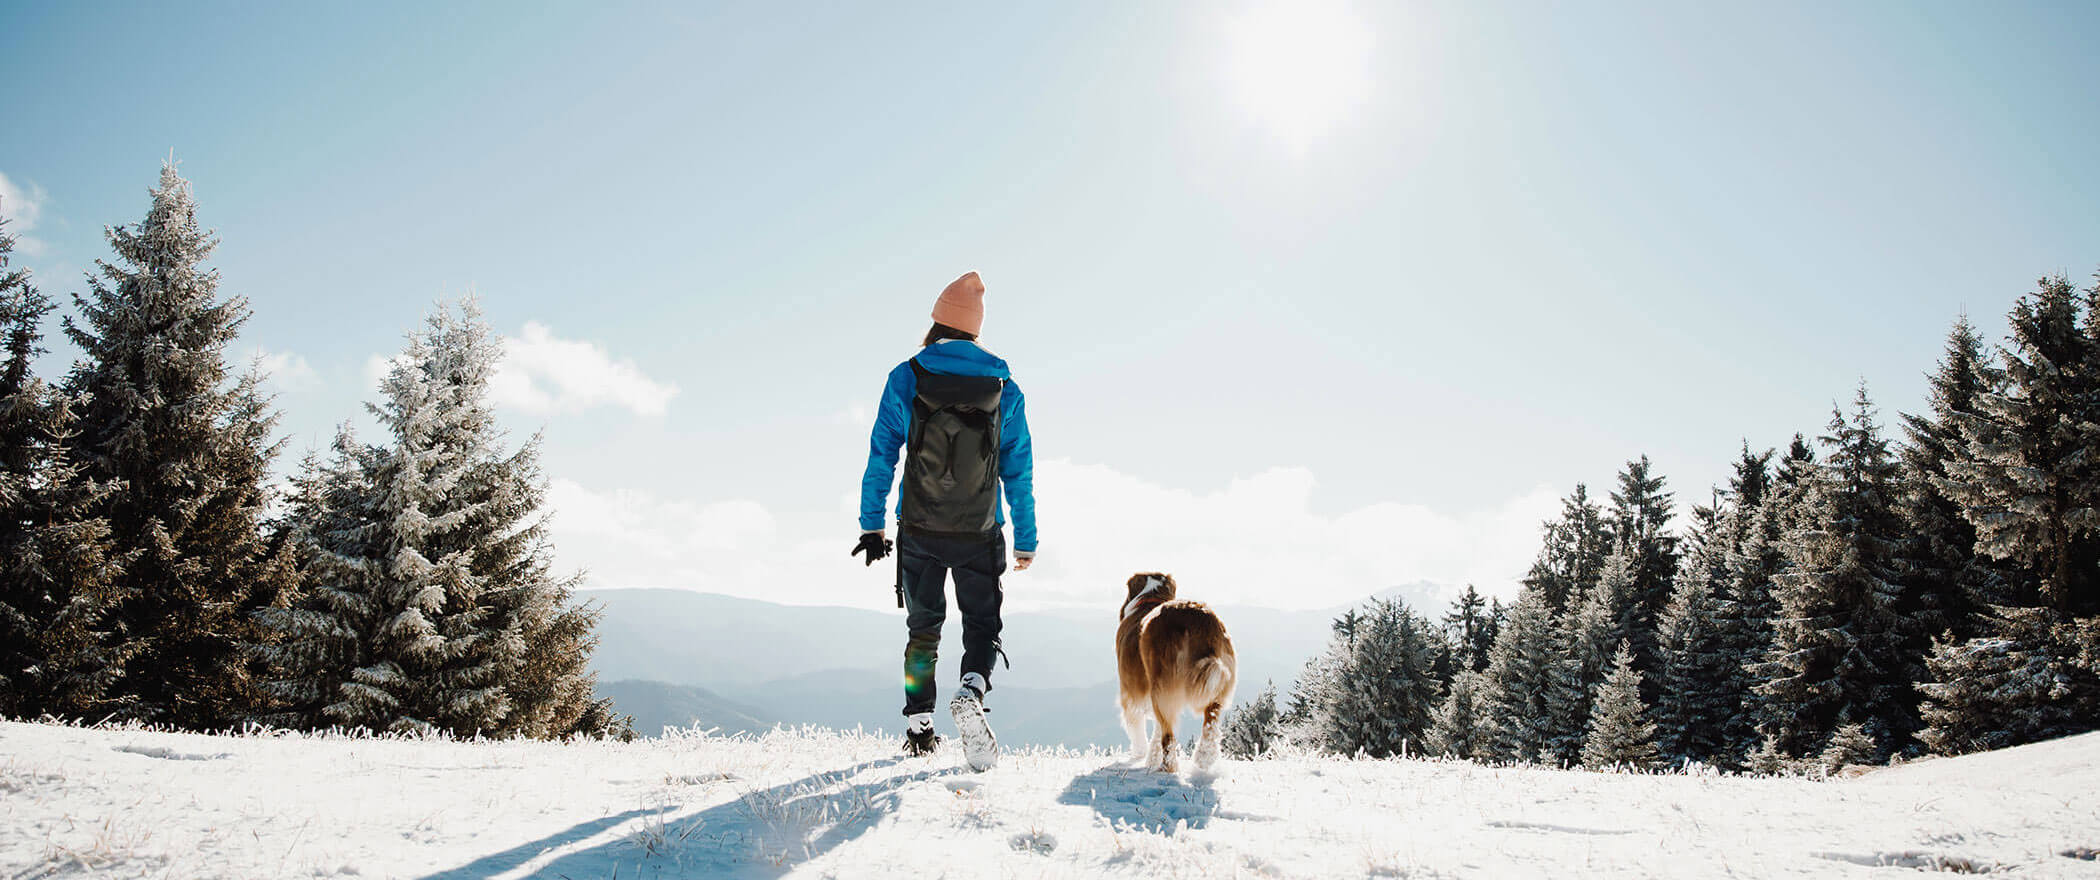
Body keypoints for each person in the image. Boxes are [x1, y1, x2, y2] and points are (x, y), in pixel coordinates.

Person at [852, 271, 1036, 771]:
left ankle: (919, 726)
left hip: (920, 527)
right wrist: (1026, 537)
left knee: (923, 627)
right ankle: (973, 689)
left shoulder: (907, 376)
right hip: (980, 530)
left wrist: (872, 526)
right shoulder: (1003, 386)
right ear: (976, 329)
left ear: (935, 323)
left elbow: (882, 454)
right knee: (981, 622)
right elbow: (1017, 466)